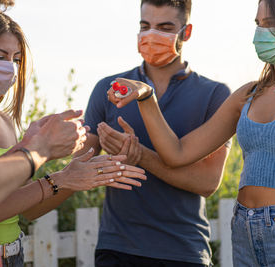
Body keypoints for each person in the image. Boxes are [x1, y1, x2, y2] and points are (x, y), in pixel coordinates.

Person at [0, 0, 138, 266]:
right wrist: (43, 157)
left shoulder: (7, 122)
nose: (10, 66)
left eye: (16, 59)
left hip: (12, 254)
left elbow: (26, 207)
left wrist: (76, 175)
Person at [108, 0, 275, 266]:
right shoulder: (249, 94)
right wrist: (146, 97)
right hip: (244, 230)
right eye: (258, 24)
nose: (260, 34)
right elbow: (177, 154)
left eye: (270, 24)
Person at [79, 0, 231, 266]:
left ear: (187, 32)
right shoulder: (109, 88)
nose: (151, 36)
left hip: (184, 251)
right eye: (145, 26)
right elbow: (80, 165)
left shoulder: (215, 95)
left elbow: (207, 183)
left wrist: (140, 156)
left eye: (164, 27)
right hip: (117, 249)